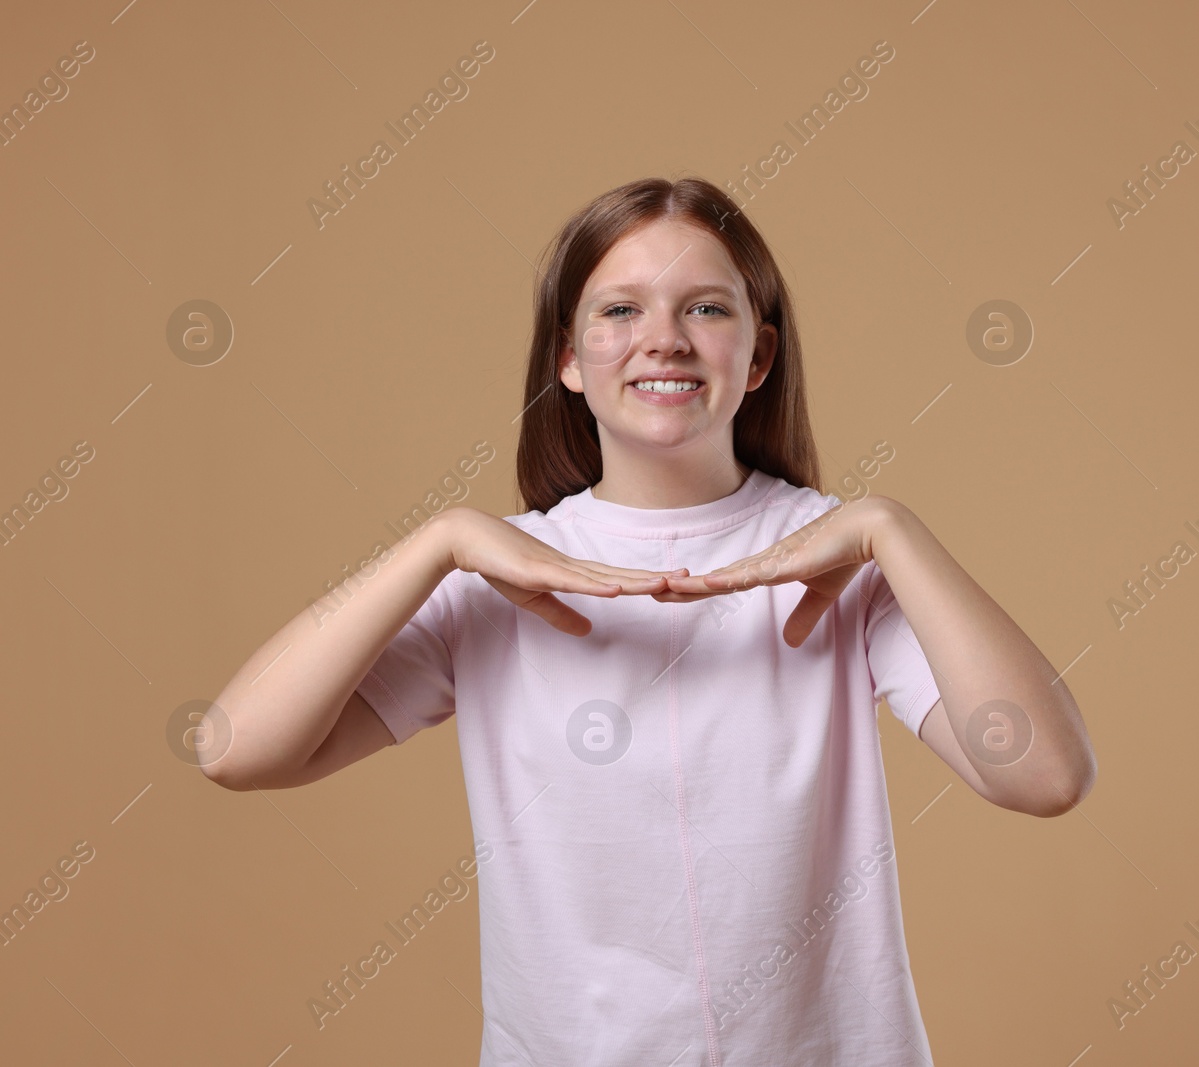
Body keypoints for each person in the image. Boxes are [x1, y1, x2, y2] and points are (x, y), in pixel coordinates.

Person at [203, 176, 1096, 1065]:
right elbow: (235, 748)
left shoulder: (844, 564)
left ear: (758, 356)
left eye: (706, 307)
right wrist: (437, 543)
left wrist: (888, 528)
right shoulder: (493, 578)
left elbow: (1046, 776)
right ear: (568, 358)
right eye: (620, 309)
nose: (663, 339)